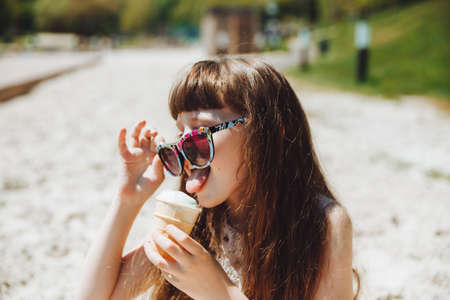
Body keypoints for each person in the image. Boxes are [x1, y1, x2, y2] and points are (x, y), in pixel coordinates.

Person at [75, 57, 359, 299]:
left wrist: (220, 292)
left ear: (270, 134)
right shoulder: (192, 222)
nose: (183, 149)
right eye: (180, 134)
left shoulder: (323, 223)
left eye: (200, 132)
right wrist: (127, 201)